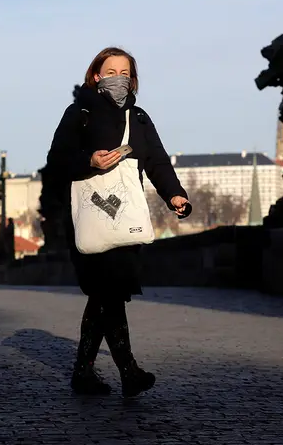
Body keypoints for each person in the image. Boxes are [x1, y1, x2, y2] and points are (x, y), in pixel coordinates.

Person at [45, 46, 190, 398]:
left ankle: (86, 373)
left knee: (106, 295)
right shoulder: (79, 113)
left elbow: (156, 160)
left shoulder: (139, 119)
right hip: (88, 217)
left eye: (125, 73)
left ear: (133, 79)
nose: (118, 79)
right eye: (111, 72)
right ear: (96, 76)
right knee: (106, 292)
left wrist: (174, 194)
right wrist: (90, 161)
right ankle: (128, 372)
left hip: (125, 218)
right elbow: (57, 161)